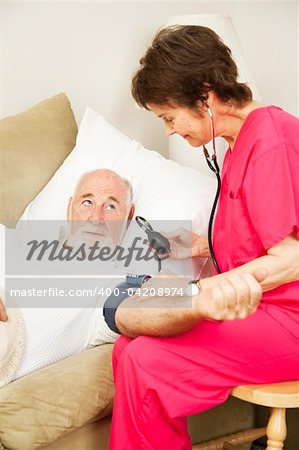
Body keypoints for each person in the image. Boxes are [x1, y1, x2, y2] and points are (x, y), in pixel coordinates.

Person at [108, 25, 299, 449]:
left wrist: (200, 291)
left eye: (169, 117)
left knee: (145, 361)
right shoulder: (238, 144)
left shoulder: (272, 141)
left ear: (205, 97)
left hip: (291, 321)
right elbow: (253, 237)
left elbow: (291, 259)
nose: (170, 132)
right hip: (265, 312)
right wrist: (191, 247)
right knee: (127, 348)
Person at [0, 168, 135, 385]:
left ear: (128, 217)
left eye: (111, 207)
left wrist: (192, 298)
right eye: (87, 202)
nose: (96, 218)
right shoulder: (13, 241)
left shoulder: (109, 287)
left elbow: (142, 308)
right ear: (70, 209)